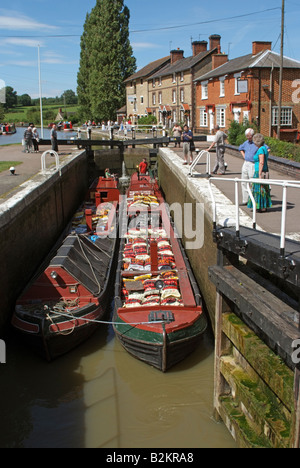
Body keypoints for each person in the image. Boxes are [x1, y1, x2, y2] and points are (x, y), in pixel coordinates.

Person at [239, 128, 271, 205]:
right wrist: (244, 156)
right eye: (247, 136)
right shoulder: (246, 143)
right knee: (244, 181)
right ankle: (245, 200)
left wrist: (260, 156)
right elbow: (240, 148)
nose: (248, 138)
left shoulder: (258, 143)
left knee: (252, 182)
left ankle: (252, 200)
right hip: (246, 163)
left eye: (249, 136)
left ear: (252, 135)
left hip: (253, 164)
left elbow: (267, 149)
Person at [247, 133, 272, 212]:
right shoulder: (265, 148)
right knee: (264, 189)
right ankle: (262, 206)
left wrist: (259, 174)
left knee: (259, 189)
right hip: (265, 170)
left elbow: (261, 162)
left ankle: (261, 206)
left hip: (259, 171)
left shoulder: (261, 149)